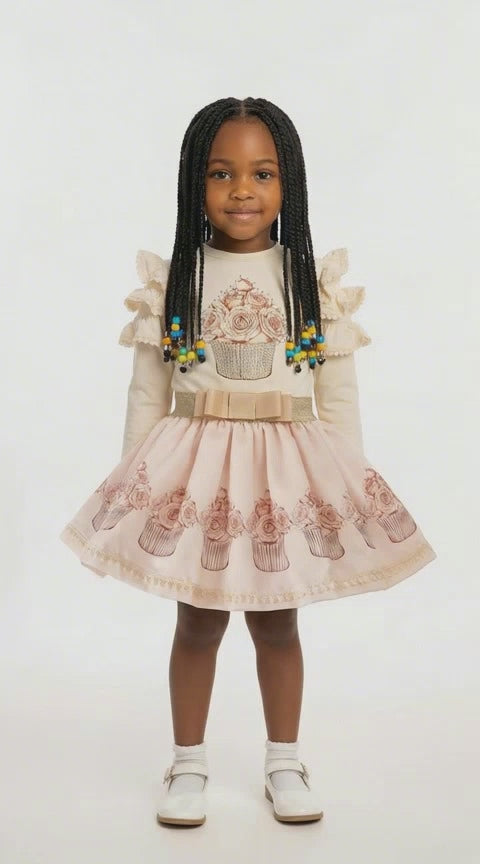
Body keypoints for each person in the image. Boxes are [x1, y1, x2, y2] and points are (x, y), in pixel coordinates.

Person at [59, 97, 437, 828]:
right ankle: (189, 762)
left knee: (277, 623)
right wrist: (135, 485)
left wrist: (347, 489)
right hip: (196, 475)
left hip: (283, 475)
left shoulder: (308, 283)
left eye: (261, 174)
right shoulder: (177, 280)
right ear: (193, 186)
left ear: (287, 184)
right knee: (198, 621)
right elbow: (148, 393)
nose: (241, 190)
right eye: (221, 173)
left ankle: (285, 760)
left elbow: (338, 394)